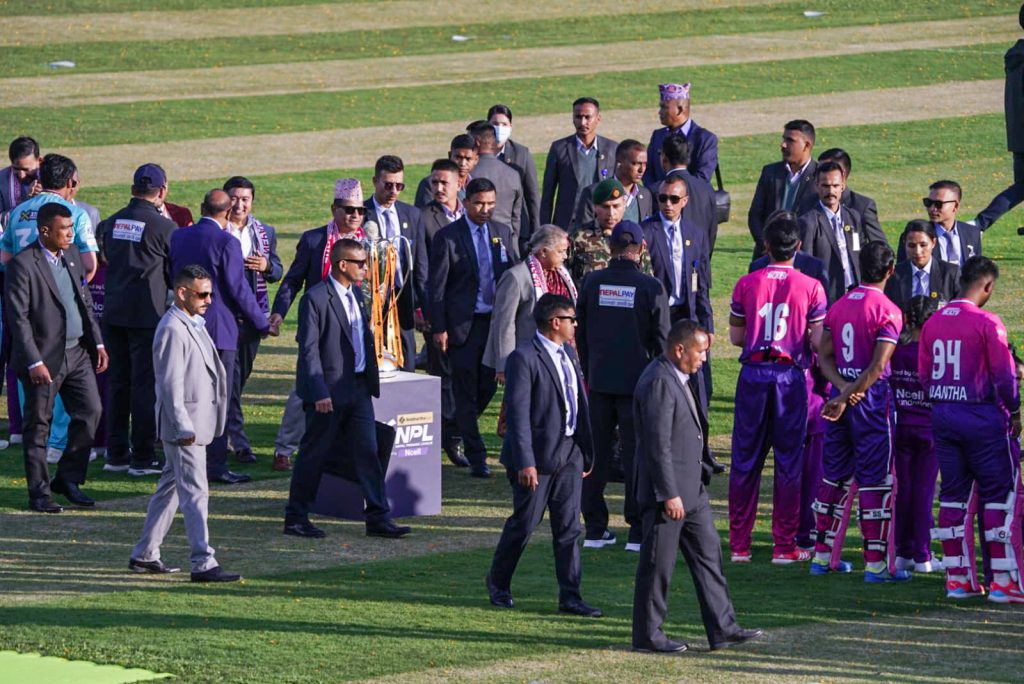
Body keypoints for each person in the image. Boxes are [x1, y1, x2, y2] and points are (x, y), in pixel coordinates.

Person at [632, 320, 762, 653]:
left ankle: (723, 628)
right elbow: (657, 445)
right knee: (658, 566)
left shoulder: (678, 376)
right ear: (680, 350)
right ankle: (647, 635)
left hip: (692, 491)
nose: (705, 358)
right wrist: (669, 494)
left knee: (709, 557)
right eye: (700, 351)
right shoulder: (659, 381)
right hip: (669, 496)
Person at [284, 238, 410, 540]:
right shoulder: (315, 299)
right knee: (314, 455)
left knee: (368, 453)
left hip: (358, 388)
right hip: (328, 392)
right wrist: (319, 391)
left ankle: (378, 517)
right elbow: (309, 351)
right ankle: (296, 517)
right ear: (343, 265)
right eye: (361, 264)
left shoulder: (357, 295)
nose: (366, 269)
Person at [486, 293, 600, 617]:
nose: (575, 325)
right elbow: (518, 414)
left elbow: (577, 401)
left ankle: (571, 596)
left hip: (569, 453)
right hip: (536, 458)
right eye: (571, 320)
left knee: (569, 528)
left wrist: (582, 452)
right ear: (555, 322)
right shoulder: (523, 358)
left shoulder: (569, 353)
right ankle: (498, 582)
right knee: (525, 523)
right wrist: (526, 462)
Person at [919, 256, 1024, 603]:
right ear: (988, 286)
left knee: (953, 494)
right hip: (981, 417)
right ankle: (1003, 581)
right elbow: (1005, 376)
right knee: (999, 495)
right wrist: (1015, 409)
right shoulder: (987, 322)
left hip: (943, 415)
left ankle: (958, 579)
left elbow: (924, 374)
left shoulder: (933, 322)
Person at [128, 265, 241, 583]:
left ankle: (145, 554)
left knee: (171, 490)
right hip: (186, 429)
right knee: (195, 492)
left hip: (195, 424)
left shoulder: (191, 322)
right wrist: (182, 427)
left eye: (210, 293)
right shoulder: (172, 329)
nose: (209, 300)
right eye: (202, 294)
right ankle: (203, 561)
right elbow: (169, 385)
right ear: (182, 293)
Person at [727, 216, 827, 564]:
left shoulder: (746, 283)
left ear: (765, 246)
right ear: (798, 247)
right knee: (788, 462)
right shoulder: (812, 286)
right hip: (789, 377)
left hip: (754, 375)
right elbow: (817, 342)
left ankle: (739, 545)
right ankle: (784, 546)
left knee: (745, 461)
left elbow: (736, 337)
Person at [811, 241, 909, 582]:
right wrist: (851, 394)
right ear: (890, 270)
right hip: (871, 402)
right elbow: (878, 366)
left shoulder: (839, 305)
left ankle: (821, 557)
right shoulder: (888, 311)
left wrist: (841, 391)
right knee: (874, 480)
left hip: (840, 400)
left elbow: (823, 356)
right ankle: (875, 565)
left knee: (834, 477)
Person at [6, 202, 106, 513]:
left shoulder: (72, 254)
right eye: (64, 229)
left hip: (77, 353)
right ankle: (39, 494)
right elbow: (18, 319)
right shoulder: (22, 264)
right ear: (45, 231)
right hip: (43, 360)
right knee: (38, 426)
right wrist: (34, 361)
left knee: (91, 412)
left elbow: (84, 301)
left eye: (71, 228)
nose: (70, 234)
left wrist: (98, 343)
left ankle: (68, 478)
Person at [576, 221, 669, 551]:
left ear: (611, 248)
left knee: (595, 457)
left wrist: (590, 371)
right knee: (636, 457)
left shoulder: (591, 282)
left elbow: (581, 334)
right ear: (642, 249)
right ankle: (637, 530)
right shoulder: (650, 286)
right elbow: (662, 341)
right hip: (637, 386)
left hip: (599, 383)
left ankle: (594, 528)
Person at [169, 190, 270, 485]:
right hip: (219, 328)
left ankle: (184, 459)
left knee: (186, 394)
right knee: (217, 399)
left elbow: (170, 275)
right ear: (227, 213)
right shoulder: (227, 241)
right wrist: (262, 323)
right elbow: (238, 288)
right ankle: (215, 465)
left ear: (202, 208)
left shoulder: (179, 237)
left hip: (183, 322)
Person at [267, 179, 367, 472]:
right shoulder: (314, 240)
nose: (355, 215)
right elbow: (293, 280)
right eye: (349, 209)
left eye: (360, 210)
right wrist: (279, 313)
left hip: (357, 328)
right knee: (305, 386)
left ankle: (345, 448)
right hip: (319, 326)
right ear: (334, 209)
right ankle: (285, 448)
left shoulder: (371, 242)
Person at [429, 178, 517, 478]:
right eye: (479, 203)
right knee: (465, 390)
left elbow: (511, 272)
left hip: (494, 325)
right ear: (466, 202)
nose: (485, 209)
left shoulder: (502, 232)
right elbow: (436, 287)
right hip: (462, 326)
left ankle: (451, 429)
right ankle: (476, 456)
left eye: (491, 204)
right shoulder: (448, 237)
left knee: (489, 385)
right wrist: (439, 327)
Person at [98, 163, 178, 475]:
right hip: (147, 315)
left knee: (118, 384)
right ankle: (143, 456)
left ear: (133, 189)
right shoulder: (164, 228)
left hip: (114, 313)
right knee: (144, 386)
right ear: (162, 191)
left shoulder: (111, 222)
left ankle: (116, 454)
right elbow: (174, 272)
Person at [222, 176, 283, 464]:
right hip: (225, 317)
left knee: (238, 379)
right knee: (230, 382)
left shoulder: (264, 232)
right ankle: (239, 443)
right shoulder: (217, 230)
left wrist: (267, 265)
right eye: (234, 198)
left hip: (253, 319)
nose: (239, 205)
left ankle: (220, 433)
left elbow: (278, 271)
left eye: (245, 199)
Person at [642, 174, 714, 408]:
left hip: (687, 314)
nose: (668, 204)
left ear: (685, 201)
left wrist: (708, 325)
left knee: (697, 380)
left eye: (674, 199)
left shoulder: (696, 233)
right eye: (662, 198)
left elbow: (701, 284)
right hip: (659, 316)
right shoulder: (646, 231)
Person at [420, 160, 467, 466]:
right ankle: (448, 437)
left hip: (469, 313)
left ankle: (455, 431)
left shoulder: (471, 213)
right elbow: (422, 269)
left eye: (444, 183)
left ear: (459, 184)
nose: (438, 188)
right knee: (443, 377)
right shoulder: (424, 217)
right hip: (438, 311)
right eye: (434, 183)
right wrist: (429, 313)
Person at [484, 225, 575, 381]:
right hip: (528, 358)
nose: (565, 256)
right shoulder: (516, 277)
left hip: (560, 354)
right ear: (543, 251)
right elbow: (504, 324)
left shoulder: (562, 275)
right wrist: (504, 365)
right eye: (560, 251)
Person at [890, 295, 940, 574]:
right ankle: (922, 554)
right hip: (929, 430)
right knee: (924, 491)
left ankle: (902, 552)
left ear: (907, 320)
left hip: (902, 428)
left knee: (904, 490)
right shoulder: (934, 356)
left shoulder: (897, 352)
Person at [364, 155, 429, 373]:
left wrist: (423, 306)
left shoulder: (412, 214)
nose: (394, 191)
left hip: (403, 299)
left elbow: (420, 265)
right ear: (375, 181)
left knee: (407, 360)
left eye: (399, 186)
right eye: (388, 185)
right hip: (372, 301)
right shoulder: (360, 214)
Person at [973, 6, 1024, 231]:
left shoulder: (1016, 55)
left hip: (1018, 137)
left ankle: (980, 223)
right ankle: (979, 223)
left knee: (1021, 187)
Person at [797, 161, 874, 304]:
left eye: (835, 186)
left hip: (856, 295)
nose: (831, 191)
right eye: (825, 186)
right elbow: (806, 265)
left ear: (843, 185)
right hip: (827, 299)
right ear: (816, 186)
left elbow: (860, 253)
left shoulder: (853, 217)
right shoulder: (808, 222)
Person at [540, 97, 617, 231]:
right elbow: (548, 195)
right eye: (578, 117)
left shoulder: (612, 149)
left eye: (588, 117)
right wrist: (545, 229)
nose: (582, 122)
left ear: (598, 118)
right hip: (567, 227)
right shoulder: (559, 148)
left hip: (602, 225)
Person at [748, 120, 818, 258]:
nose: (783, 145)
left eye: (790, 140)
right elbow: (755, 215)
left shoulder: (820, 177)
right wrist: (766, 245)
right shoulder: (770, 172)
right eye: (784, 139)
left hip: (802, 258)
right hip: (768, 256)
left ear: (807, 145)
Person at [643, 82, 719, 186]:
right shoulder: (657, 136)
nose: (660, 112)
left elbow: (702, 178)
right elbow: (647, 172)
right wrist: (659, 192)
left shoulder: (705, 139)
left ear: (679, 110)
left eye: (664, 107)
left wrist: (676, 192)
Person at [467, 122, 526, 250]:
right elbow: (516, 217)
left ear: (477, 143)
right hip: (507, 244)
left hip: (476, 245)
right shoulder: (513, 174)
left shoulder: (469, 174)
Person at [658, 135, 719, 252]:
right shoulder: (707, 188)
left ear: (664, 158)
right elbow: (712, 230)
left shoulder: (659, 190)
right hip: (699, 258)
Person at [489, 104, 541, 242]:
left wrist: (536, 231)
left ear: (510, 126)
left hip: (516, 228)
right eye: (495, 124)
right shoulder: (478, 153)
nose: (499, 128)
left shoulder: (521, 154)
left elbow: (533, 196)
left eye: (504, 124)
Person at [574, 139, 653, 228]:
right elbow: (582, 231)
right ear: (619, 162)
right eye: (635, 163)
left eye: (644, 164)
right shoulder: (593, 192)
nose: (641, 169)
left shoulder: (646, 195)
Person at [884, 220, 959, 310]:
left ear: (933, 243)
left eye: (923, 245)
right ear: (904, 244)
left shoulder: (950, 274)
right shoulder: (894, 275)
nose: (917, 251)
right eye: (911, 246)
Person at [816, 148, 885, 242]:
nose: (817, 174)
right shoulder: (810, 203)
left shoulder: (862, 207)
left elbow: (880, 244)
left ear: (842, 174)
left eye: (826, 168)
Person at [568, 178, 626, 284]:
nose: (611, 213)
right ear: (595, 207)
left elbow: (646, 277)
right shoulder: (578, 237)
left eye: (616, 206)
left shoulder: (633, 237)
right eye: (605, 207)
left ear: (624, 205)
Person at [911, 180, 982, 267]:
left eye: (938, 204)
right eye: (928, 203)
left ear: (955, 206)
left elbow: (977, 271)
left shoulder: (972, 233)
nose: (932, 209)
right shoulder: (917, 236)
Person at [413, 135, 478, 208]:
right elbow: (423, 212)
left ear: (476, 159)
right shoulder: (429, 183)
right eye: (458, 157)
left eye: (468, 159)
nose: (463, 163)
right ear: (450, 155)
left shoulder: (476, 184)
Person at [0, 136, 42, 215]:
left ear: (39, 160)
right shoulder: (2, 180)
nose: (21, 175)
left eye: (26, 169)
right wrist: (28, 200)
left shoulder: (52, 178)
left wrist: (47, 194)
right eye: (16, 168)